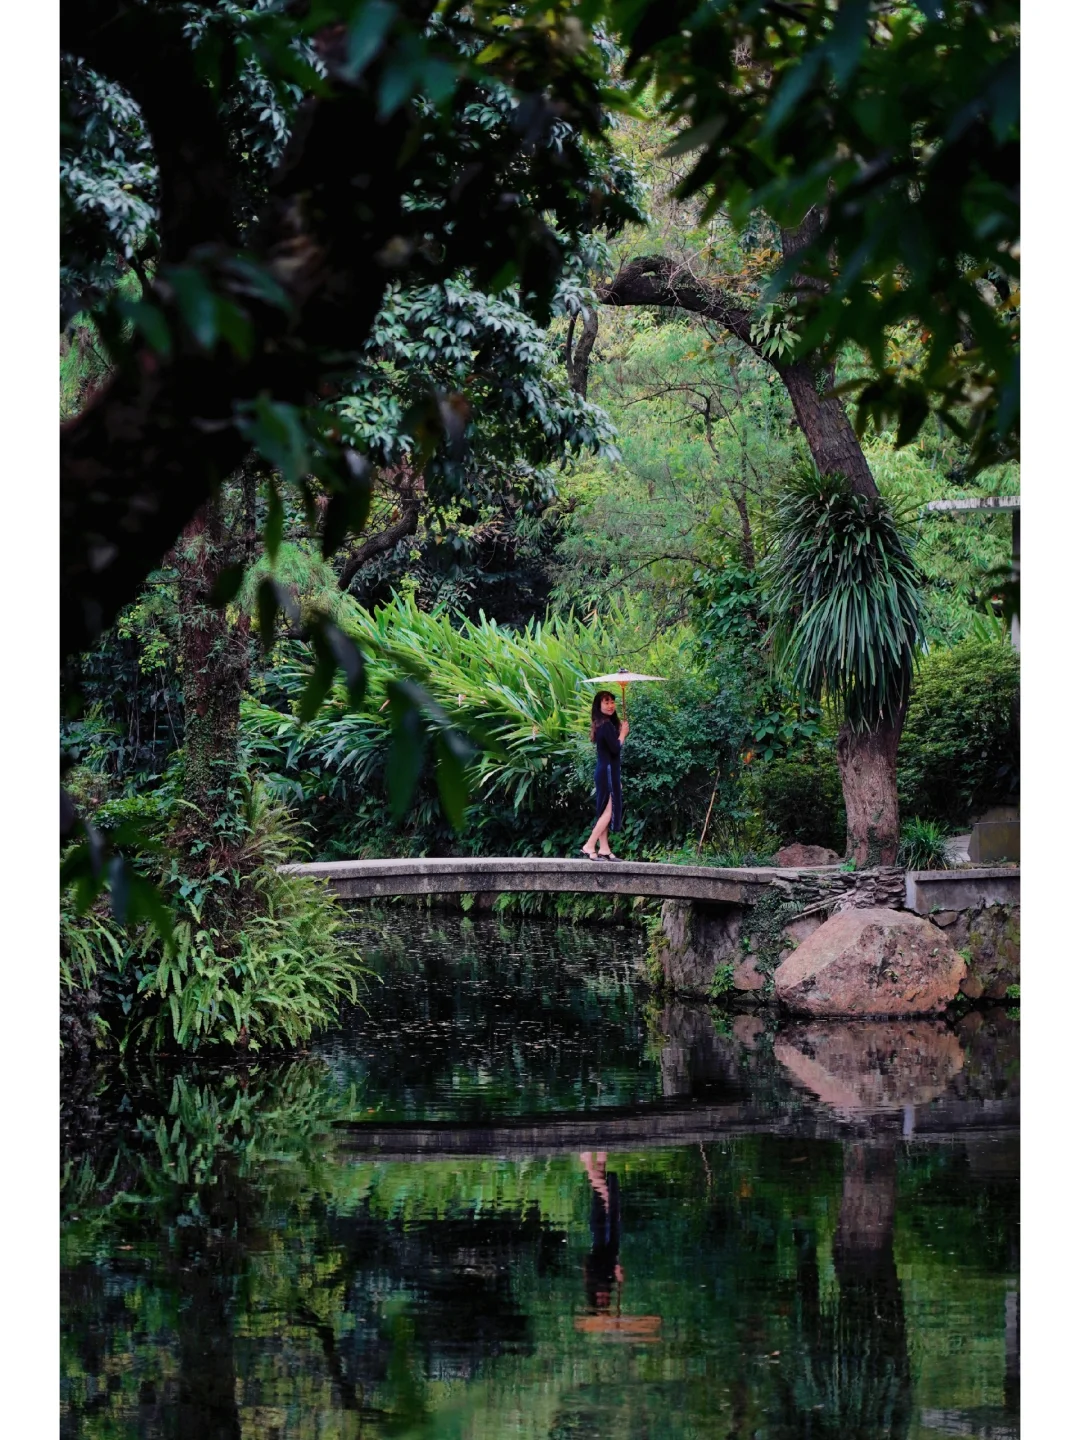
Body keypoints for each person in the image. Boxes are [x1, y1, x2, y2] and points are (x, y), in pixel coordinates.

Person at [581, 690, 629, 860]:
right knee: (608, 811)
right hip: (607, 772)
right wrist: (623, 734)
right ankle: (589, 844)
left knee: (603, 811)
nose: (610, 705)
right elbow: (616, 749)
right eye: (606, 702)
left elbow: (611, 752)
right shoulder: (606, 726)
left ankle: (604, 849)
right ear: (599, 705)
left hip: (606, 771)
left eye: (612, 702)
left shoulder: (603, 724)